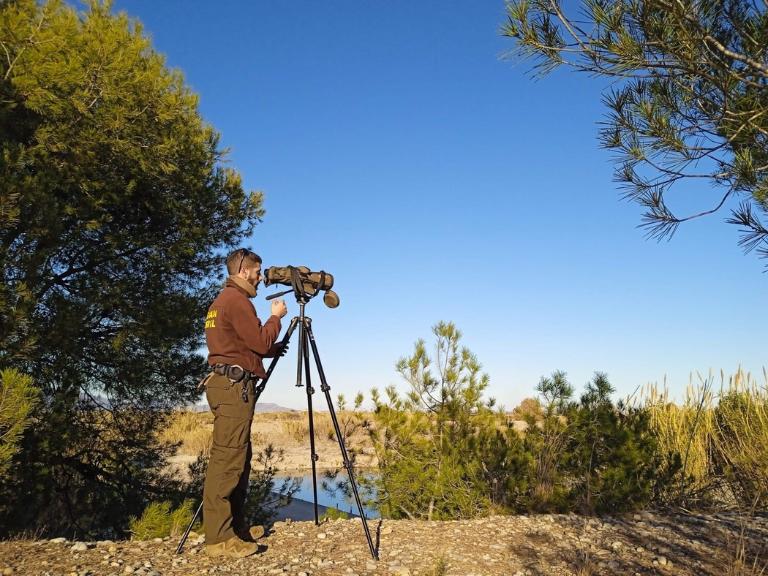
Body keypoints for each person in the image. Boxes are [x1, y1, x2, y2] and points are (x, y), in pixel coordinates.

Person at [202, 248, 288, 558]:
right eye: (256, 271)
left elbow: (246, 344)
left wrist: (270, 347)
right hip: (233, 388)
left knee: (238, 458)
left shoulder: (222, 302)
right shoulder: (237, 301)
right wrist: (275, 318)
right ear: (242, 271)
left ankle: (235, 527)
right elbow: (260, 341)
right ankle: (219, 539)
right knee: (227, 461)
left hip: (228, 385)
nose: (260, 278)